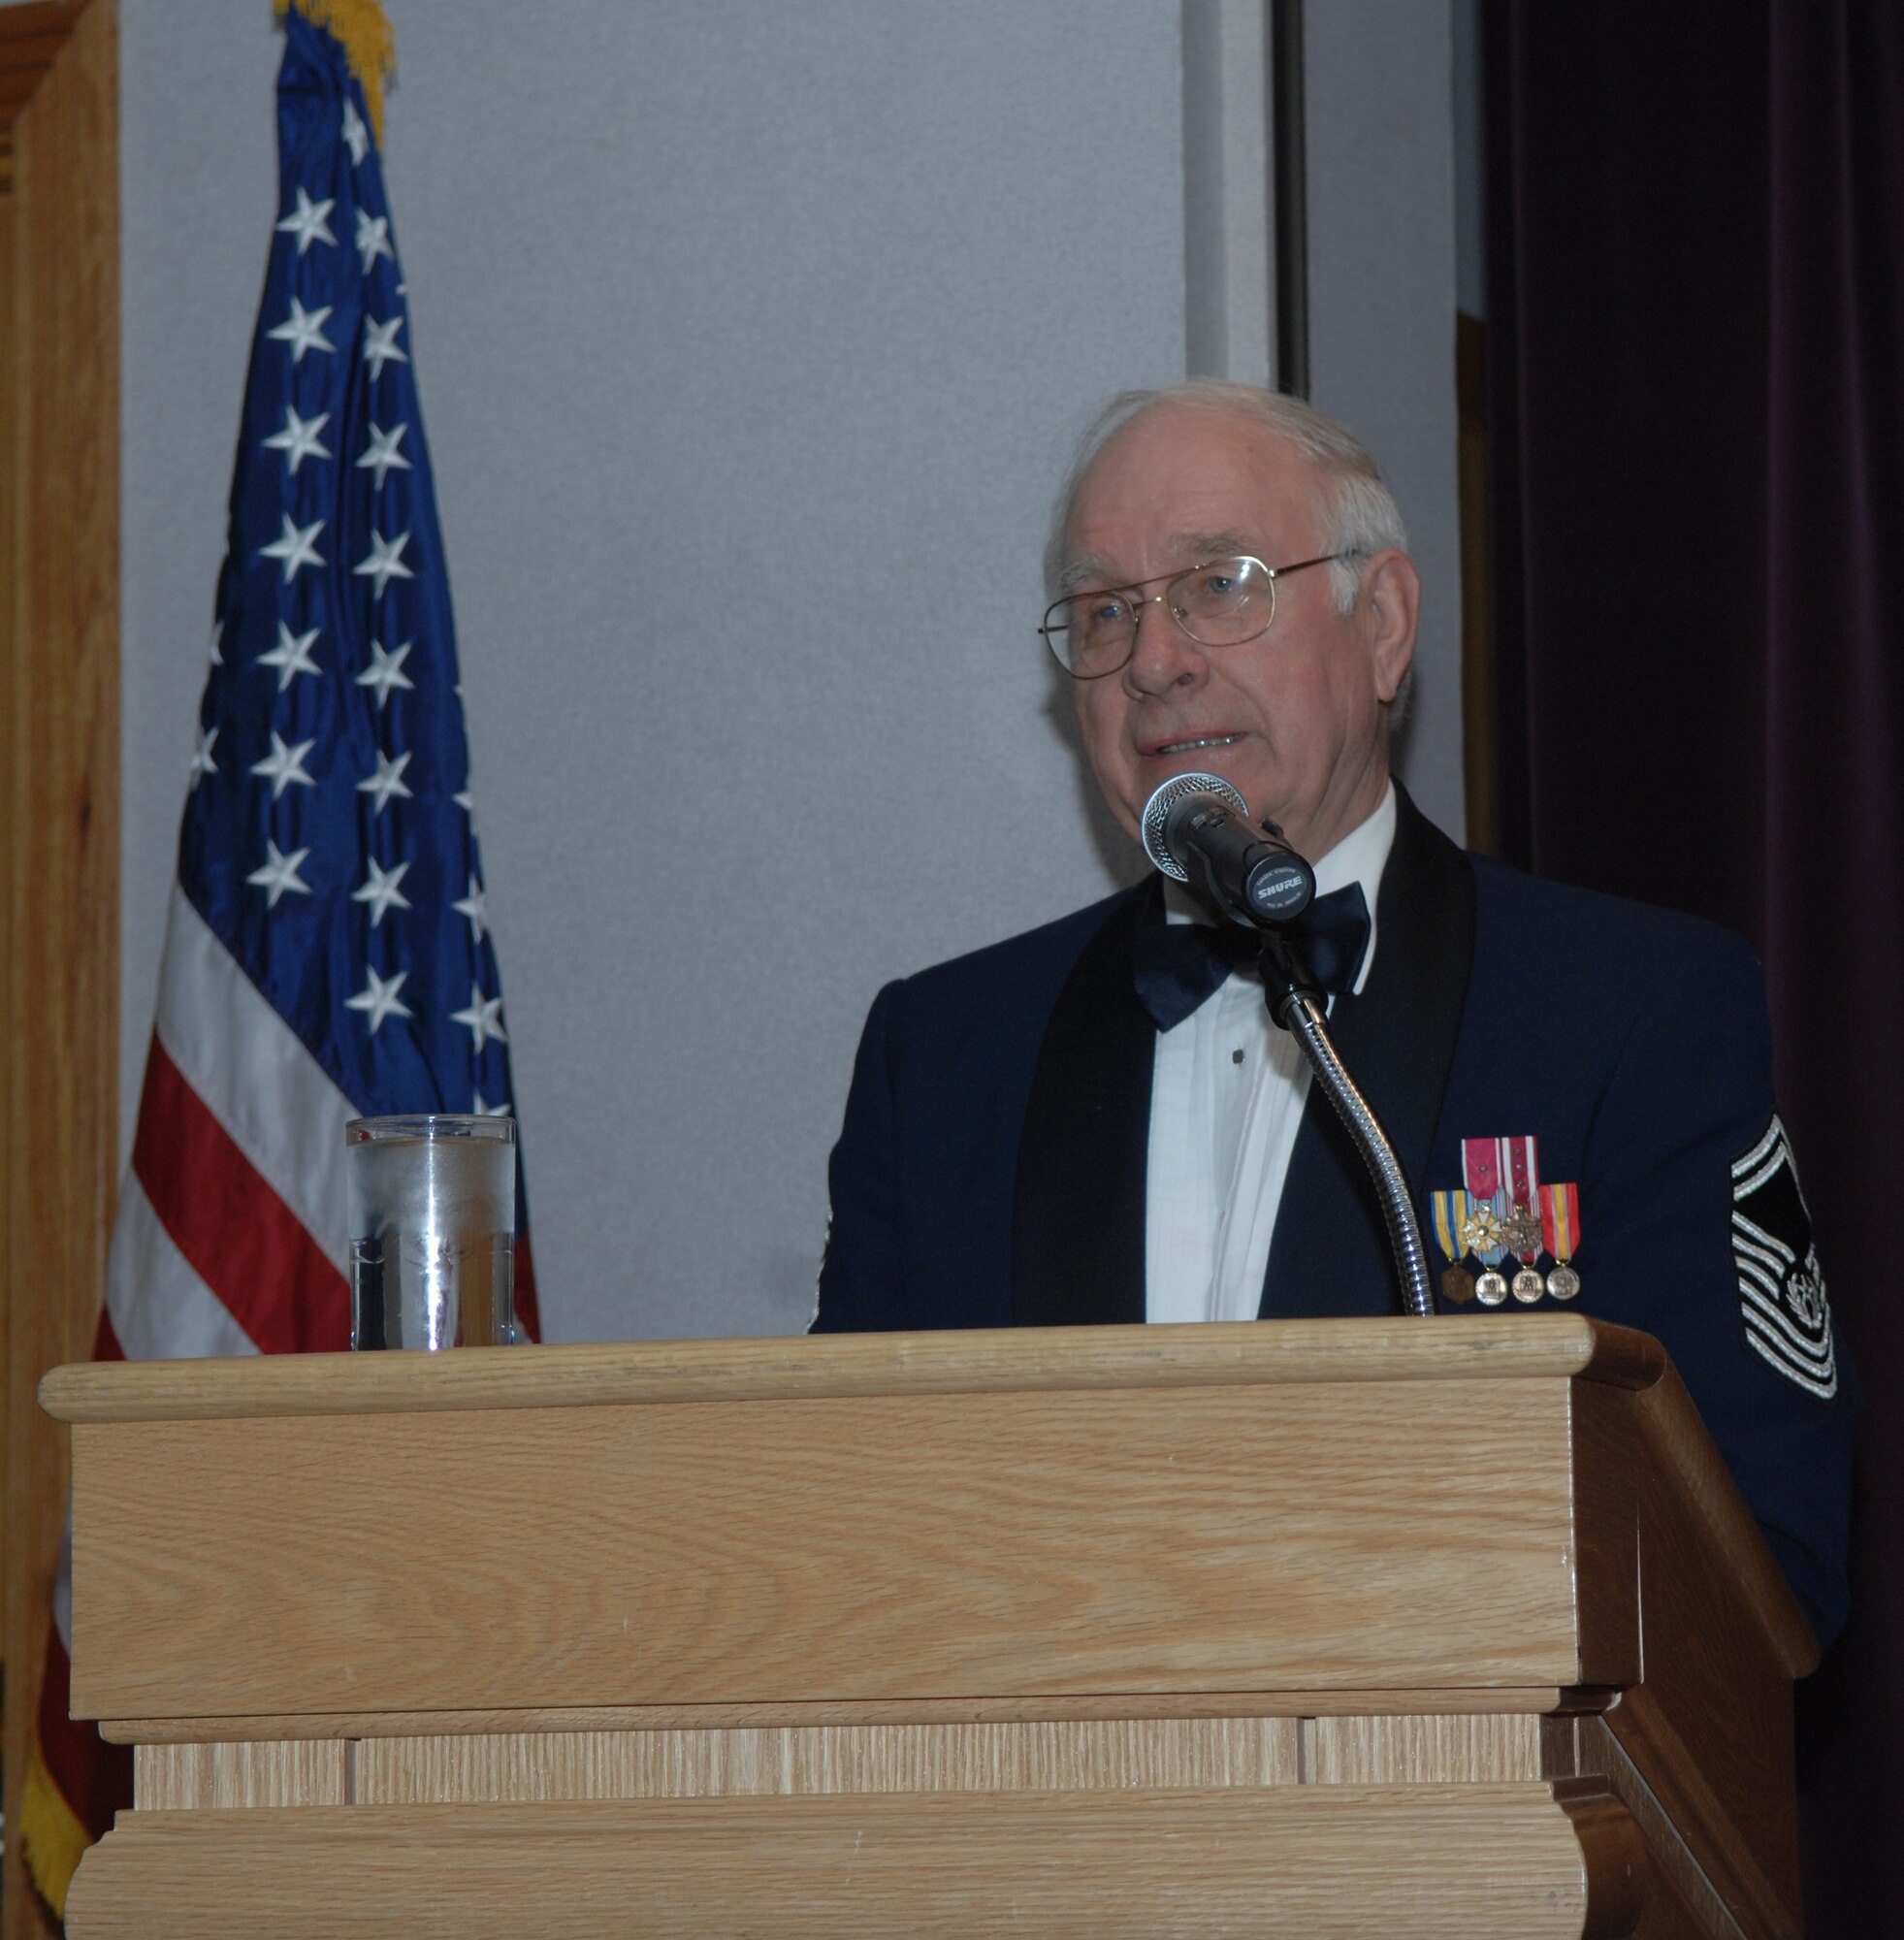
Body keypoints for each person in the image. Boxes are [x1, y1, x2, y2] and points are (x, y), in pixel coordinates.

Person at [812, 380, 1856, 1647]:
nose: (1153, 660)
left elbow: (1760, 1565)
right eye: (1104, 612)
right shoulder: (946, 1056)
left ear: (1385, 625)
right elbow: (839, 1548)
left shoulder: (1629, 1011)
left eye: (1220, 584)